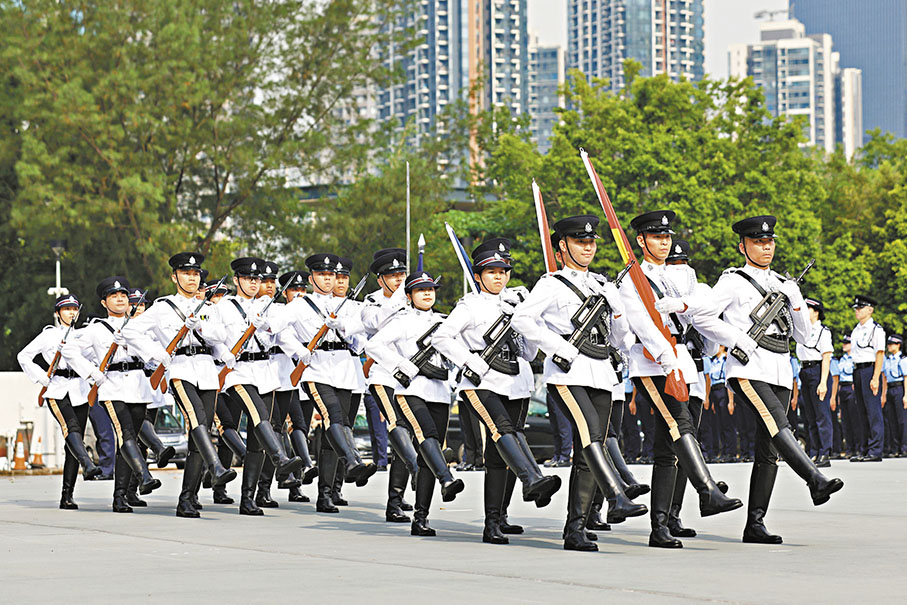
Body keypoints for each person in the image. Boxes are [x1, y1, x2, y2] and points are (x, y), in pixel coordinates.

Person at [672, 215, 843, 543]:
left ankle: (756, 524)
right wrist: (735, 338)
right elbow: (701, 315)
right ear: (743, 246)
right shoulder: (733, 281)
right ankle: (814, 478)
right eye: (758, 242)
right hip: (748, 368)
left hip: (780, 367)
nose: (765, 247)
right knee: (779, 425)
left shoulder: (782, 282)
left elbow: (805, 337)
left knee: (769, 449)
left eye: (769, 242)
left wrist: (795, 302)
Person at [511, 215, 647, 552]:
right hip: (568, 374)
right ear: (562, 247)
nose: (587, 247)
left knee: (589, 451)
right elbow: (522, 319)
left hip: (601, 373)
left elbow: (621, 339)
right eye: (579, 242)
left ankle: (577, 528)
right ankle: (616, 496)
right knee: (589, 437)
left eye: (591, 242)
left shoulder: (603, 285)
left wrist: (616, 313)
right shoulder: (551, 285)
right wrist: (558, 346)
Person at [622, 211, 741, 549]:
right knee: (681, 425)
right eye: (656, 237)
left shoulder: (681, 276)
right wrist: (664, 356)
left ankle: (663, 524)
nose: (664, 242)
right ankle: (707, 491)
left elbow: (700, 308)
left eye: (667, 237)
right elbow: (642, 323)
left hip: (681, 357)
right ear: (641, 241)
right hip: (652, 362)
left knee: (667, 448)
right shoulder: (633, 277)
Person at [433, 238, 562, 544]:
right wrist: (469, 360)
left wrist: (530, 327)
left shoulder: (518, 302)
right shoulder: (470, 305)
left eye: (503, 271)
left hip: (516, 380)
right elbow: (442, 337)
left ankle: (497, 520)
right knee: (504, 432)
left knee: (501, 453)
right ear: (478, 276)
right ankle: (532, 479)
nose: (499, 276)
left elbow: (529, 353)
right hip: (483, 381)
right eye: (492, 271)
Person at [270, 253, 376, 514]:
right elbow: (274, 328)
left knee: (333, 432)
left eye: (332, 275)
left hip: (344, 368)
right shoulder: (300, 305)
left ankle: (326, 494)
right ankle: (352, 460)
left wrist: (346, 329)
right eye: (323, 275)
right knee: (333, 416)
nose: (328, 280)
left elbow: (364, 332)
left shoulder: (349, 306)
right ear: (312, 278)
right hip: (316, 368)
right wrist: (298, 350)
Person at [366, 271, 465, 537]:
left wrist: (456, 378)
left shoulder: (445, 322)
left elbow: (457, 353)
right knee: (427, 437)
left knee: (426, 457)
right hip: (411, 390)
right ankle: (447, 478)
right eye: (421, 290)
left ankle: (421, 517)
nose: (428, 294)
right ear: (409, 296)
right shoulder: (402, 321)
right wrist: (400, 365)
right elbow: (373, 346)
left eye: (431, 289)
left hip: (441, 391)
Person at [206, 257, 304, 516]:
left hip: (266, 373)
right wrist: (223, 352)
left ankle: (248, 498)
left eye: (257, 279)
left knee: (258, 439)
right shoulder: (224, 307)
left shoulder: (270, 306)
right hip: (238, 373)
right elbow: (211, 335)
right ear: (237, 280)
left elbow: (285, 330)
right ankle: (280, 458)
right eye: (248, 279)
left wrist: (299, 350)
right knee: (259, 415)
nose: (253, 283)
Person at [67, 277, 163, 513]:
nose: (120, 299)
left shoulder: (139, 326)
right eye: (114, 296)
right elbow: (69, 350)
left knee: (128, 442)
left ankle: (121, 496)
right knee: (126, 435)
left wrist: (133, 344)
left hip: (139, 387)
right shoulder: (96, 329)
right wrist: (91, 373)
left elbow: (155, 352)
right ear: (104, 302)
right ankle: (144, 476)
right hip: (113, 387)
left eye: (123, 295)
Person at [17, 294, 102, 509]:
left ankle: (67, 495)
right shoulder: (49, 335)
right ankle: (88, 463)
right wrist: (40, 376)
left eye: (74, 308)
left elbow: (94, 356)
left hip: (80, 390)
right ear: (57, 313)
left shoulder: (83, 334)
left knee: (73, 443)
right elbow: (23, 356)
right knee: (71, 429)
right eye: (67, 309)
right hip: (57, 388)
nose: (72, 313)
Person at [361, 248, 419, 522]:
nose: (398, 279)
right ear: (380, 279)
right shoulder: (371, 303)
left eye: (401, 274)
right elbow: (375, 323)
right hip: (383, 375)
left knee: (404, 438)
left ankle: (395, 500)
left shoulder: (412, 299)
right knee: (396, 427)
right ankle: (418, 470)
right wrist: (401, 299)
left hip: (409, 378)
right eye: (392, 276)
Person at [795, 298, 835, 467]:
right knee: (810, 416)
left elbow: (826, 357)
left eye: (808, 308)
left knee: (821, 416)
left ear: (816, 311)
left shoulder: (822, 331)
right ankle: (814, 452)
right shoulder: (802, 330)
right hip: (805, 371)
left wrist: (823, 382)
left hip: (818, 371)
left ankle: (825, 453)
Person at [849, 295, 886, 462]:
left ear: (870, 310)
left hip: (870, 370)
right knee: (861, 412)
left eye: (860, 308)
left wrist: (876, 377)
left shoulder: (876, 329)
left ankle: (875, 450)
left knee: (873, 412)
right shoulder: (856, 330)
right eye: (856, 308)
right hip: (858, 371)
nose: (857, 311)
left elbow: (879, 354)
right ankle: (863, 449)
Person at [881, 335, 907, 457]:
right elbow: (885, 378)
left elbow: (906, 378)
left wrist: (906, 395)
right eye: (889, 344)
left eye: (892, 344)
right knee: (892, 420)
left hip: (899, 388)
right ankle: (894, 448)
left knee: (902, 420)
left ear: (898, 345)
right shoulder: (888, 360)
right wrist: (884, 394)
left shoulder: (902, 359)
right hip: (890, 389)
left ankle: (904, 448)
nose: (889, 346)